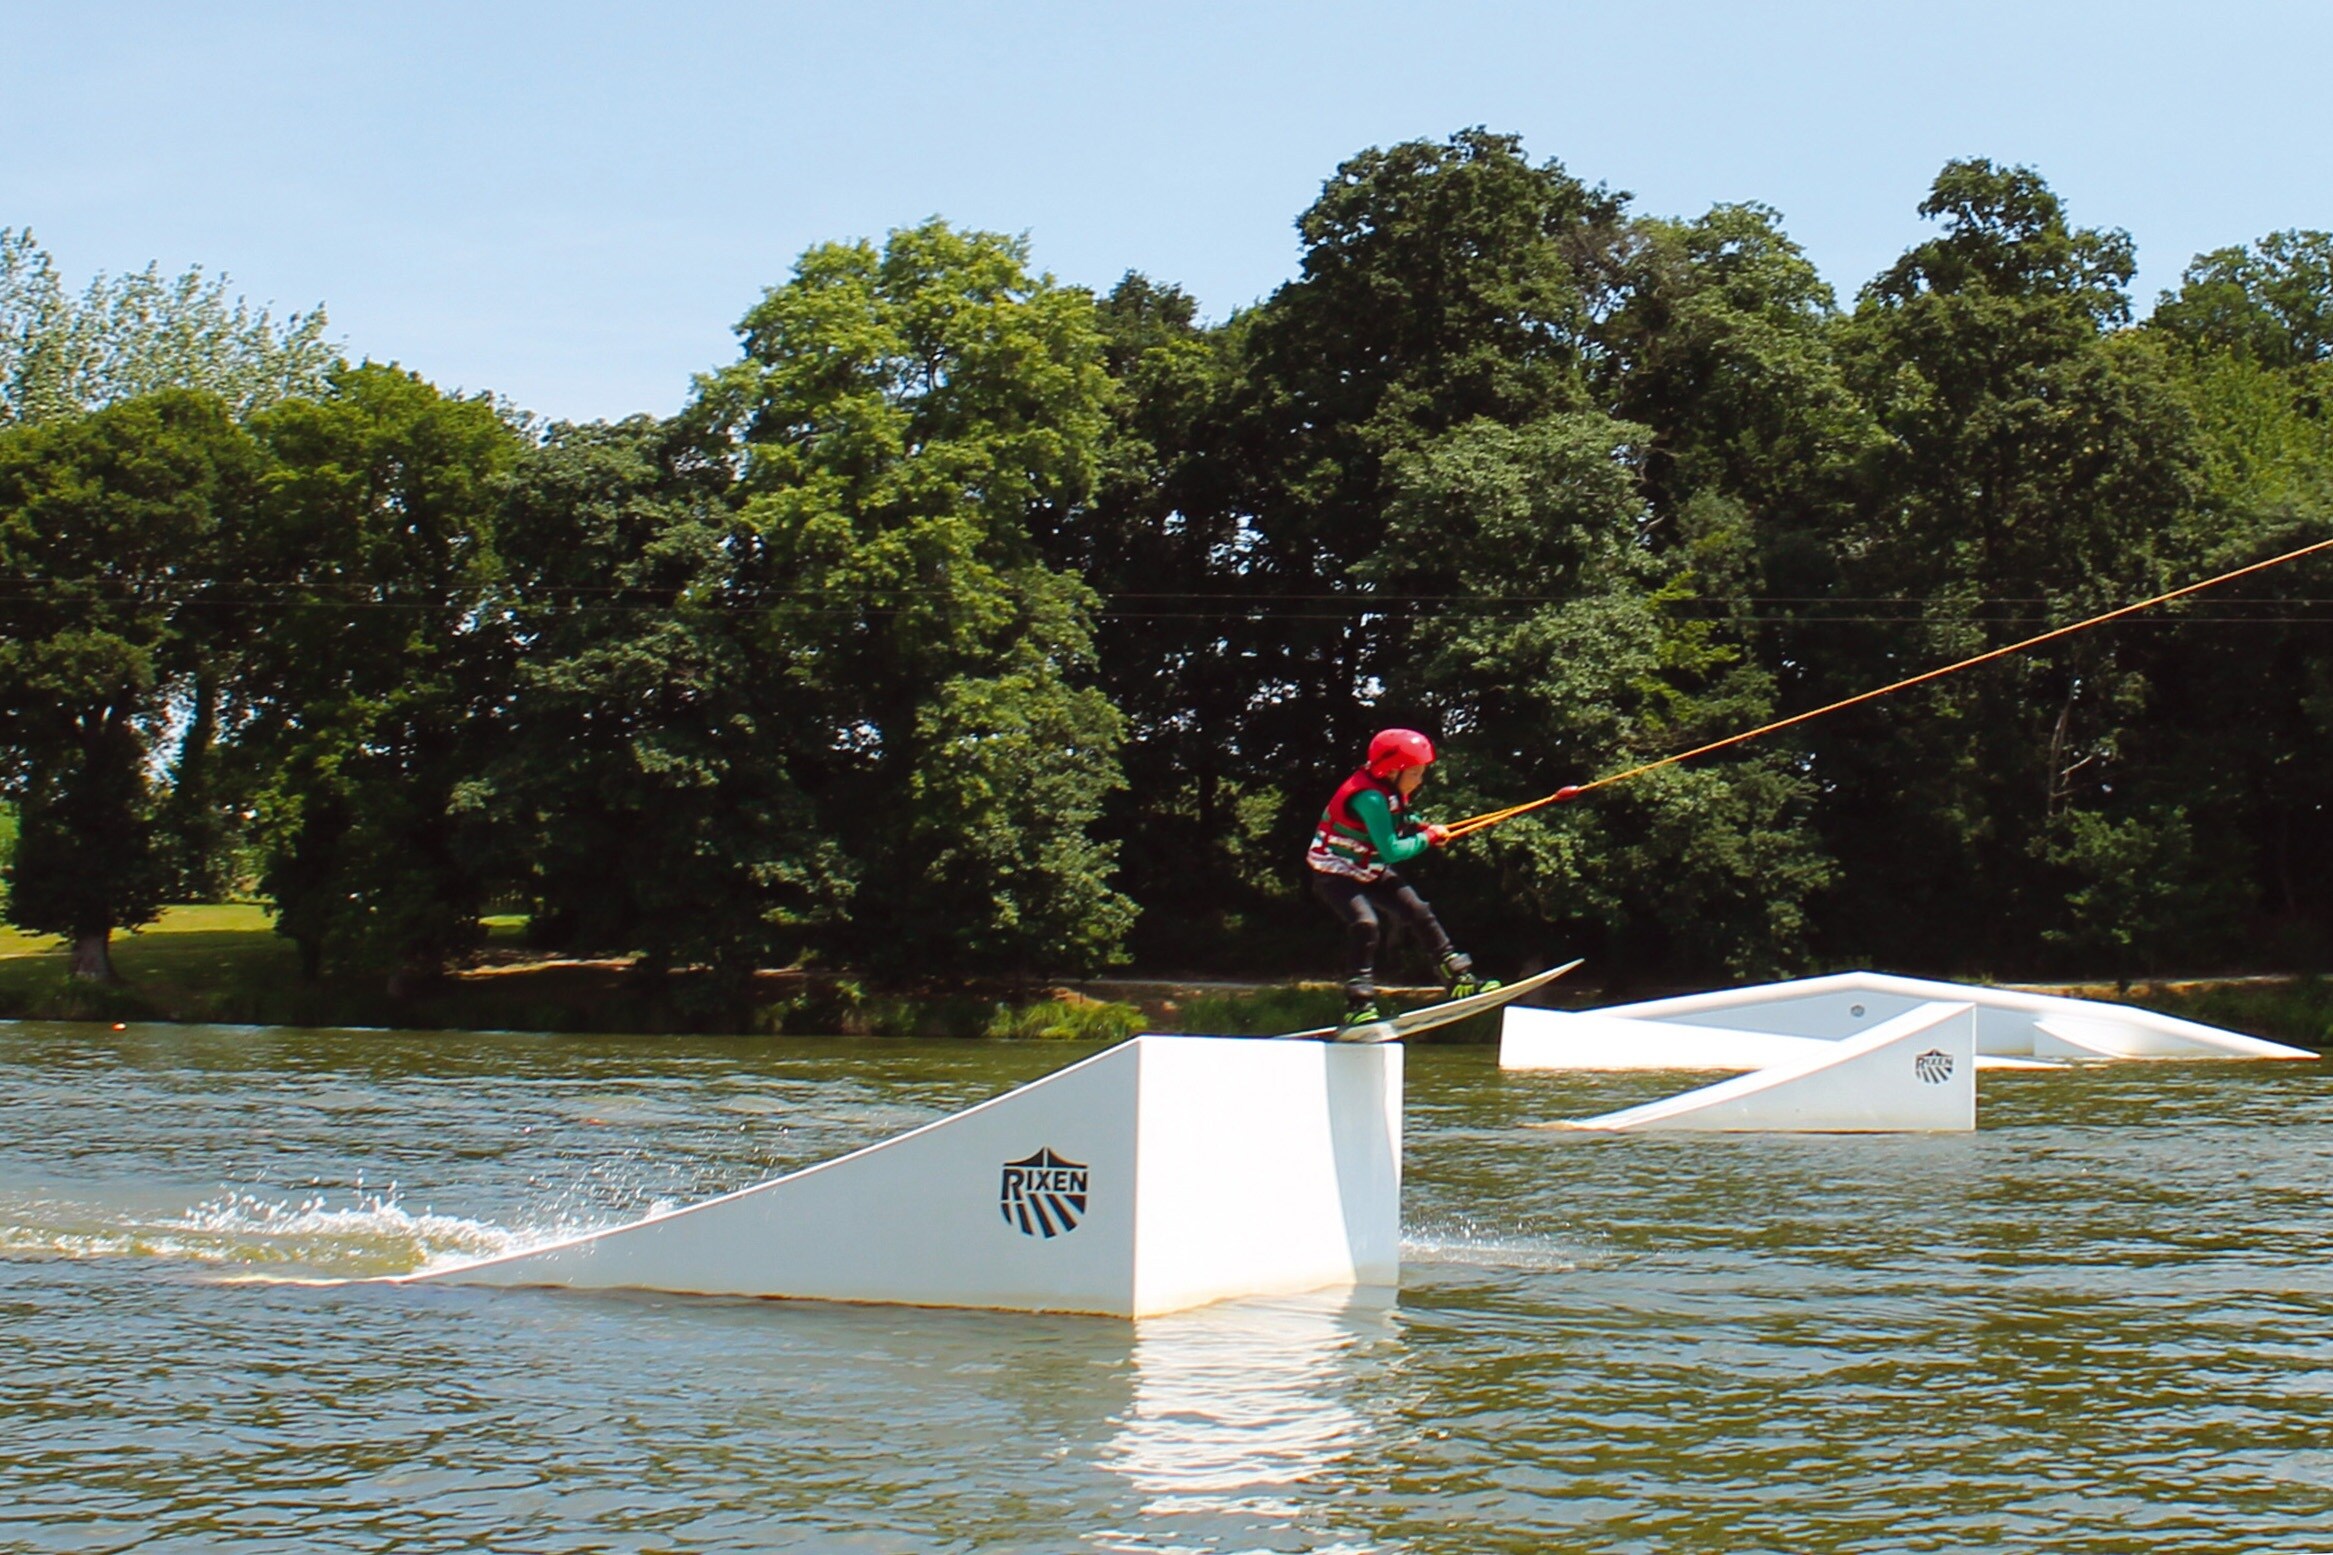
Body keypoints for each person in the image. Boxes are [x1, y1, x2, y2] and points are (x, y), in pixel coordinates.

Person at [1306, 728, 1497, 1034]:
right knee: (1365, 923)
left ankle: (1459, 979)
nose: (1421, 779)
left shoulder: (1389, 788)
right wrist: (1428, 838)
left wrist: (1423, 826)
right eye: (1417, 772)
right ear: (1393, 771)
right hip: (1334, 873)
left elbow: (1400, 818)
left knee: (1418, 910)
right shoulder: (1369, 797)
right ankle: (1358, 1006)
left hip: (1368, 867)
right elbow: (1392, 850)